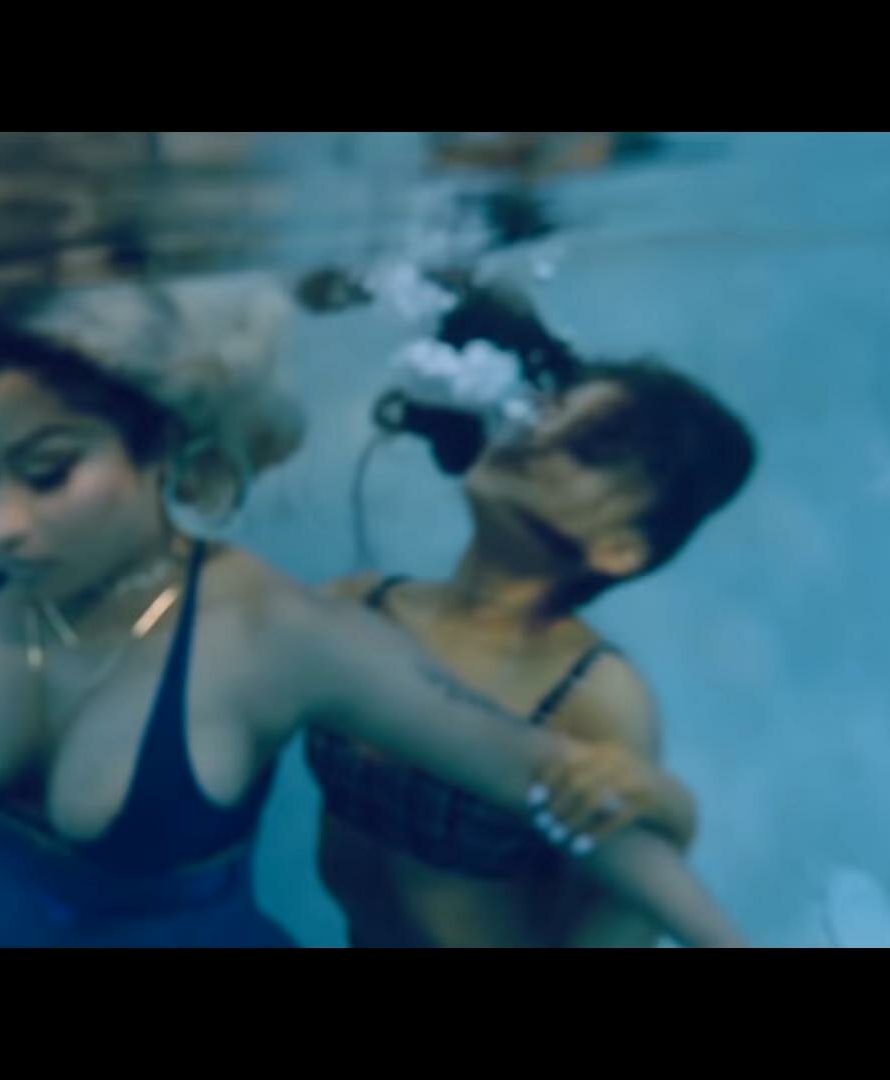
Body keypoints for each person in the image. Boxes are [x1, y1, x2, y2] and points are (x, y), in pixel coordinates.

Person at [0, 278, 746, 947]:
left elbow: (541, 783)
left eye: (50, 470)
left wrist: (697, 874)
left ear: (163, 446)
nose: (4, 519)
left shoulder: (278, 632)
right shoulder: (2, 526)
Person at [308, 281, 756, 946]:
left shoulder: (593, 695)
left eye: (588, 448)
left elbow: (618, 911)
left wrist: (672, 811)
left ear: (620, 548)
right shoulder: (358, 605)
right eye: (547, 409)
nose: (535, 432)